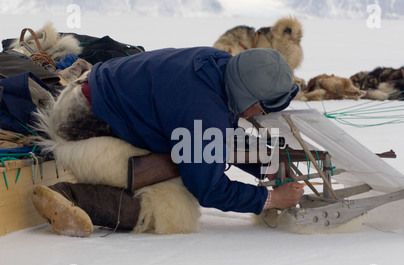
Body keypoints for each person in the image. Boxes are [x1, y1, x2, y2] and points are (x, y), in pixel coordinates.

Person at [32, 47, 305, 237]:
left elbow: (218, 136)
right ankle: (71, 195)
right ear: (249, 99)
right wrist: (270, 198)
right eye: (265, 107)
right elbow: (209, 188)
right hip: (80, 129)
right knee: (175, 208)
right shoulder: (202, 111)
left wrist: (265, 162)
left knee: (190, 159)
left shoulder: (219, 67)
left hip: (89, 95)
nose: (265, 114)